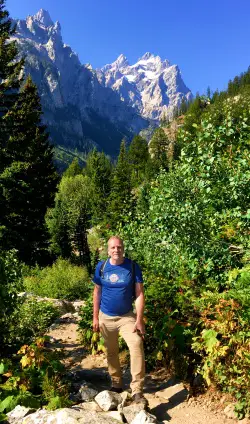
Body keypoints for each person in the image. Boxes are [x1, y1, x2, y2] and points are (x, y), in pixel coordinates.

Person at [92, 235, 147, 404]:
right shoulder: (102, 267)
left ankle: (137, 390)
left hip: (126, 317)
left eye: (119, 247)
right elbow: (97, 292)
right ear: (108, 250)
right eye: (113, 247)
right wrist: (95, 317)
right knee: (111, 351)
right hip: (106, 317)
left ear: (123, 248)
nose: (116, 250)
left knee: (136, 344)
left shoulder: (132, 266)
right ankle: (116, 384)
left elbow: (139, 293)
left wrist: (139, 319)